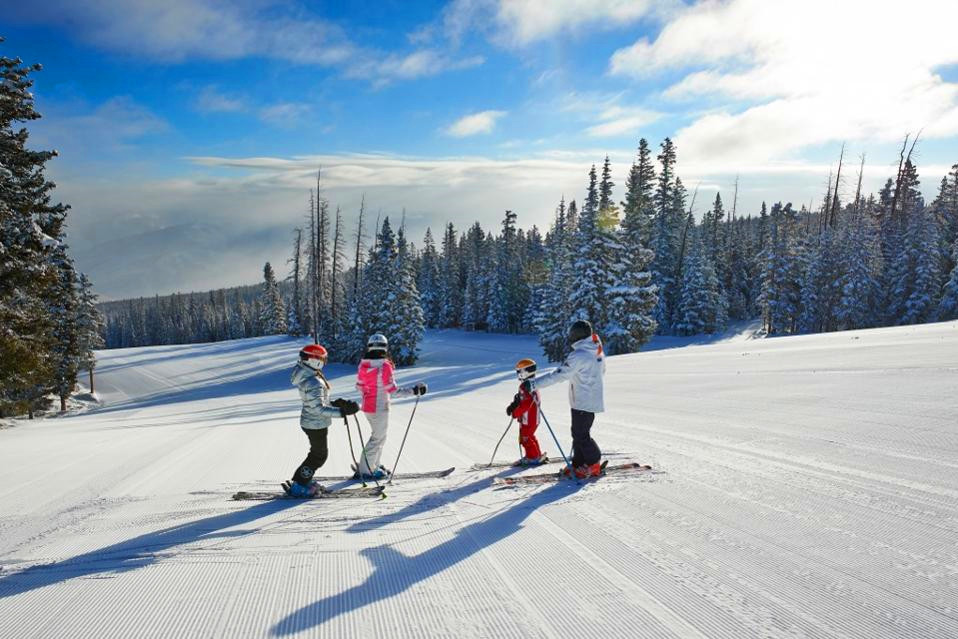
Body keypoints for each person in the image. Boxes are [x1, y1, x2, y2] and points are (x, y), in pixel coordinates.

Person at [533, 319, 606, 479]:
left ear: (577, 336)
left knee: (581, 435)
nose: (570, 337)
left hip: (583, 401)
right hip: (588, 399)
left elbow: (559, 375)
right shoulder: (597, 351)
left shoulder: (578, 355)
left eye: (572, 334)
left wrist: (534, 384)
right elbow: (602, 372)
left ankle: (594, 463)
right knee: (578, 433)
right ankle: (578, 464)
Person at [285, 343, 359, 497]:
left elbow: (318, 403)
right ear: (314, 360)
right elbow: (319, 409)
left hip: (312, 421)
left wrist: (338, 403)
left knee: (316, 454)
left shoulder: (308, 376)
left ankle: (303, 480)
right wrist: (342, 412)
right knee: (319, 456)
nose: (325, 362)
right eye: (323, 359)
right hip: (315, 423)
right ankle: (299, 484)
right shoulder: (313, 382)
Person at [354, 333, 427, 480]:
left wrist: (371, 391)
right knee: (377, 438)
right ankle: (365, 470)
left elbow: (359, 386)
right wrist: (413, 391)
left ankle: (373, 465)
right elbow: (392, 391)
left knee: (379, 437)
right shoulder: (384, 365)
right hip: (380, 407)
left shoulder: (363, 364)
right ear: (385, 347)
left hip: (368, 406)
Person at [506, 358, 546, 465]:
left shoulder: (525, 386)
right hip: (533, 418)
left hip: (529, 419)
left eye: (520, 371)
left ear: (526, 371)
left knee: (525, 438)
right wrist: (513, 405)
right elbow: (522, 400)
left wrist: (516, 413)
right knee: (530, 436)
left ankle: (532, 457)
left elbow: (526, 404)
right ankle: (536, 454)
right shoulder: (533, 384)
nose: (518, 374)